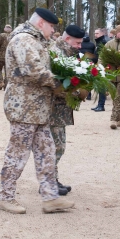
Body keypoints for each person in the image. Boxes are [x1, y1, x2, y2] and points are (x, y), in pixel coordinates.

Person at [0, 8, 76, 215]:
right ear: (41, 23)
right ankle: (5, 197)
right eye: (51, 27)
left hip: (38, 109)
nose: (52, 31)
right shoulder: (24, 40)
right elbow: (34, 71)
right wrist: (63, 84)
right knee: (17, 154)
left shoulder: (37, 40)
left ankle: (50, 198)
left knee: (47, 153)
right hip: (23, 108)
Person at [49, 24, 87, 196]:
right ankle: (49, 182)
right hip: (51, 108)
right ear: (66, 39)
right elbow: (54, 83)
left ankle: (51, 180)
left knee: (58, 146)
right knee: (56, 147)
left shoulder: (68, 53)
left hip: (61, 109)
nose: (80, 46)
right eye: (77, 43)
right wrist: (77, 92)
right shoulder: (55, 52)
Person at [91, 28, 108, 112]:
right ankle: (99, 104)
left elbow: (102, 56)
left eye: (97, 33)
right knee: (100, 87)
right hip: (98, 66)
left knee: (102, 86)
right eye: (95, 33)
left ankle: (101, 105)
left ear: (101, 33)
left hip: (102, 67)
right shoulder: (98, 42)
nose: (95, 35)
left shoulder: (103, 42)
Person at [0, 24, 12, 90]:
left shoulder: (1, 35)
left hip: (0, 56)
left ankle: (1, 82)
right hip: (9, 57)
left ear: (4, 29)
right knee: (7, 71)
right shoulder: (13, 36)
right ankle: (6, 84)